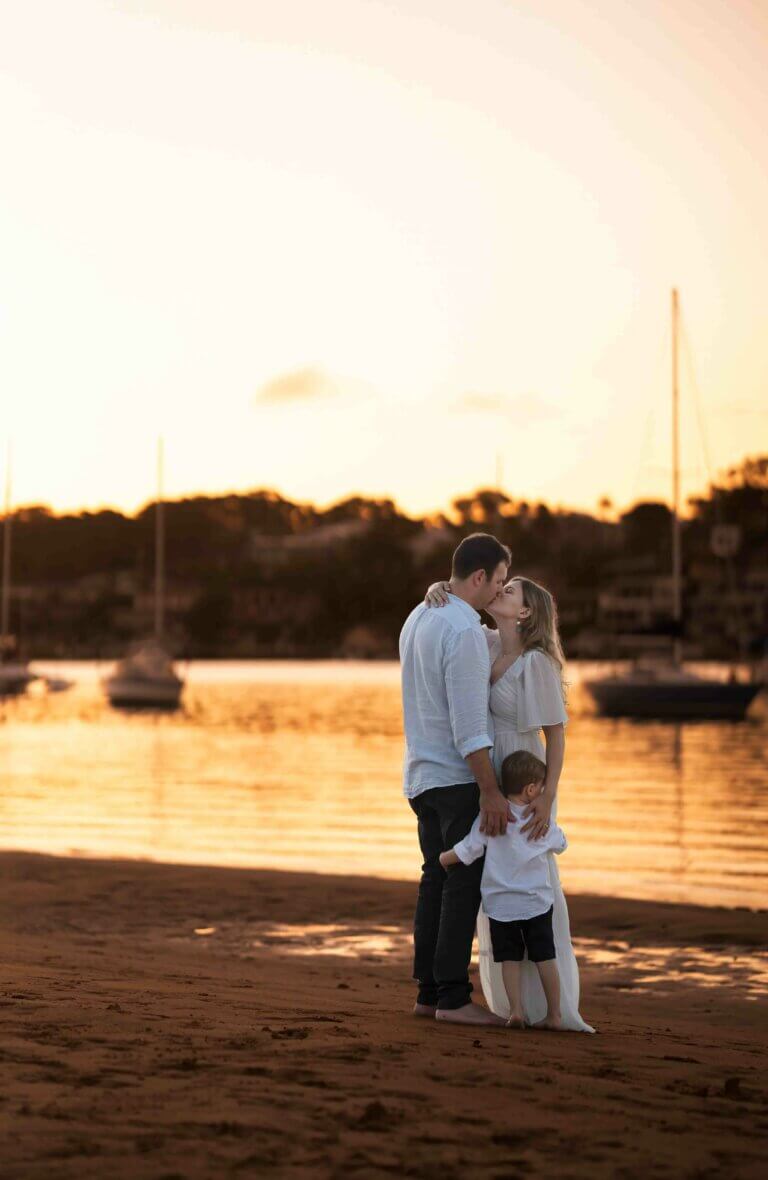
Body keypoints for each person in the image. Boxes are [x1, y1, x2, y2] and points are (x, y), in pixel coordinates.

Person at [425, 573, 594, 1032]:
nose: (501, 588)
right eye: (502, 583)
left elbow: (555, 734)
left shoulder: (535, 663)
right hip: (491, 773)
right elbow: (450, 601)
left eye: (512, 589)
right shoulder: (483, 642)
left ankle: (552, 1008)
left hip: (526, 780)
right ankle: (514, 1005)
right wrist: (437, 588)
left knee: (531, 873)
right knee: (497, 877)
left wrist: (548, 798)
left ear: (525, 612)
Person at [400, 532, 510, 1026]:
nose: (499, 593)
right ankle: (452, 998)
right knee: (461, 884)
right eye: (499, 581)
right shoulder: (463, 631)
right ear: (480, 576)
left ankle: (428, 993)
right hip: (455, 778)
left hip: (421, 777)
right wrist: (490, 790)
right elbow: (470, 727)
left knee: (435, 881)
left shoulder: (419, 616)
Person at [439, 750, 567, 1030]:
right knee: (544, 955)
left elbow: (469, 849)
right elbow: (561, 844)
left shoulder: (492, 817)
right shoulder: (540, 822)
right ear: (532, 789)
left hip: (501, 905)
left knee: (509, 958)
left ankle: (516, 1012)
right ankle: (555, 1014)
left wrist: (443, 858)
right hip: (536, 902)